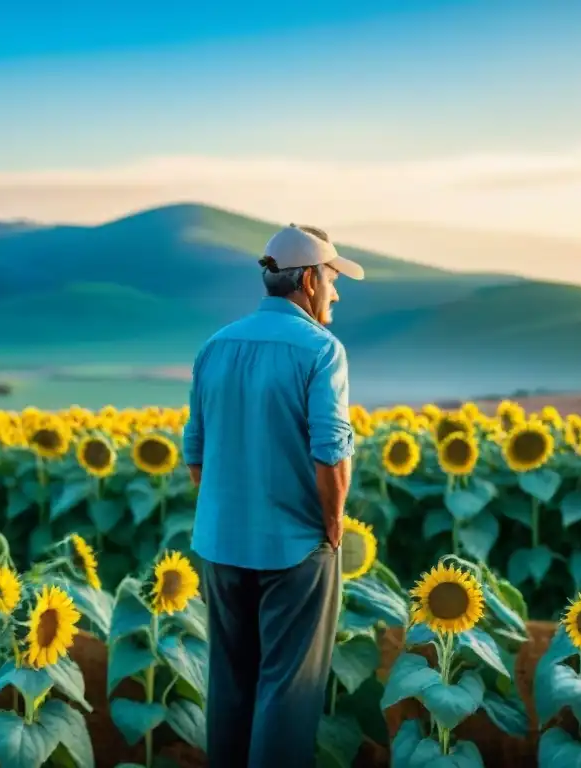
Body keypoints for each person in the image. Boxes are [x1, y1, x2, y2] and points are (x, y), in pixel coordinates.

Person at [182, 224, 363, 767]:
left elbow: (196, 448)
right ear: (308, 280)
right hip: (295, 546)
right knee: (288, 690)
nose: (336, 292)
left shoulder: (217, 344)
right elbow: (330, 451)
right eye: (332, 279)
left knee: (231, 684)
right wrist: (332, 524)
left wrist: (222, 512)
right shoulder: (321, 350)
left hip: (221, 543)